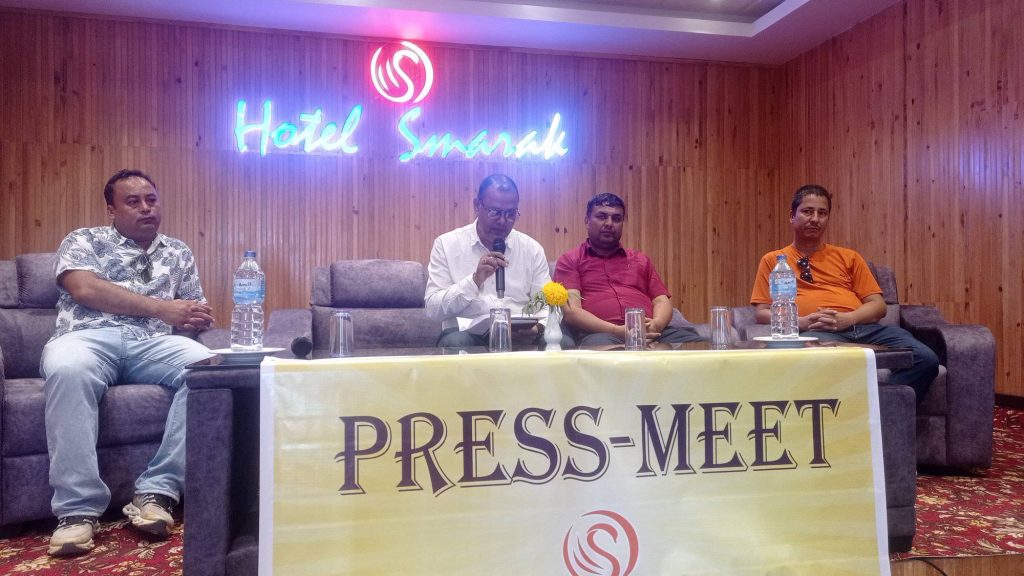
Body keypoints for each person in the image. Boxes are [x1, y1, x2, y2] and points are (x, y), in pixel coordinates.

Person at [42, 169, 215, 556]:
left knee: (211, 369)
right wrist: (163, 308)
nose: (145, 208)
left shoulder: (178, 251)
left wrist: (195, 317)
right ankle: (76, 511)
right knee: (67, 368)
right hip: (87, 338)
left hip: (153, 343)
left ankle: (157, 491)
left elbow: (190, 308)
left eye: (151, 200)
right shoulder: (84, 239)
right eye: (133, 201)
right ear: (112, 209)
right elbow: (83, 288)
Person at [749, 184, 939, 400]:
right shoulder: (774, 260)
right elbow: (762, 313)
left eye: (822, 213)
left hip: (865, 329)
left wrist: (848, 319)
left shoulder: (849, 257)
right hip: (816, 332)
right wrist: (801, 322)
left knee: (925, 358)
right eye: (808, 211)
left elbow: (878, 306)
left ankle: (875, 409)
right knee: (814, 360)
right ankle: (857, 410)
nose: (815, 219)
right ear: (792, 216)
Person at [554, 193, 703, 347]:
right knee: (605, 349)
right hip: (602, 334)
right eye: (601, 216)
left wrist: (656, 324)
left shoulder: (640, 260)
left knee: (698, 342)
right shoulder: (570, 260)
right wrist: (617, 331)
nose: (609, 223)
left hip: (652, 331)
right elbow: (572, 312)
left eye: (616, 218)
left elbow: (661, 300)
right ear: (587, 221)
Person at [425, 174, 555, 347]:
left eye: (510, 214)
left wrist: (538, 328)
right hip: (469, 335)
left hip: (520, 334)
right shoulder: (446, 244)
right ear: (477, 206)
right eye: (495, 212)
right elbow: (433, 309)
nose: (502, 221)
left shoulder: (532, 249)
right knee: (456, 341)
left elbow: (546, 304)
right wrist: (474, 281)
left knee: (560, 341)